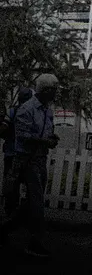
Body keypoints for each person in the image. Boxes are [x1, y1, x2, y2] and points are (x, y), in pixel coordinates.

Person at [0, 74, 59, 257]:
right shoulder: (27, 109)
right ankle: (35, 242)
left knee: (31, 202)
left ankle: (4, 229)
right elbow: (23, 136)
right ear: (46, 90)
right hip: (26, 160)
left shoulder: (47, 111)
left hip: (40, 159)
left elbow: (48, 129)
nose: (56, 93)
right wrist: (44, 141)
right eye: (54, 89)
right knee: (37, 202)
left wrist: (52, 138)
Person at [2, 87, 33, 217]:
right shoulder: (32, 113)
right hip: (26, 155)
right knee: (29, 185)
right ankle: (23, 213)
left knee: (11, 185)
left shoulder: (12, 112)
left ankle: (10, 212)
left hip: (11, 153)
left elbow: (3, 129)